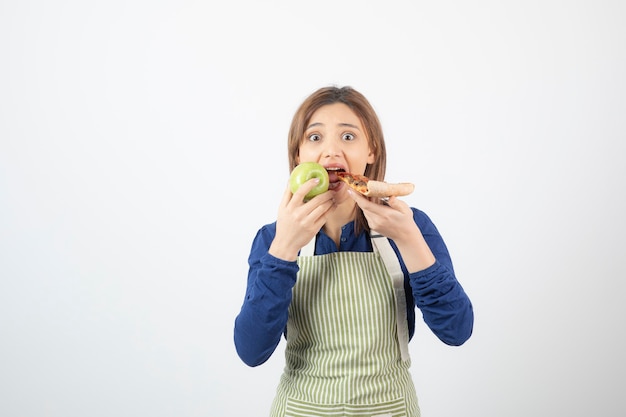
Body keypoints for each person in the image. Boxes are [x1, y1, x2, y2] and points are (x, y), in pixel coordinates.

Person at [234, 86, 473, 417]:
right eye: (315, 138)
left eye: (348, 137)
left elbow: (457, 331)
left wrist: (408, 239)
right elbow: (251, 351)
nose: (331, 150)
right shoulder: (273, 238)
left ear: (371, 151)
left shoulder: (409, 226)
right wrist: (284, 249)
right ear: (298, 156)